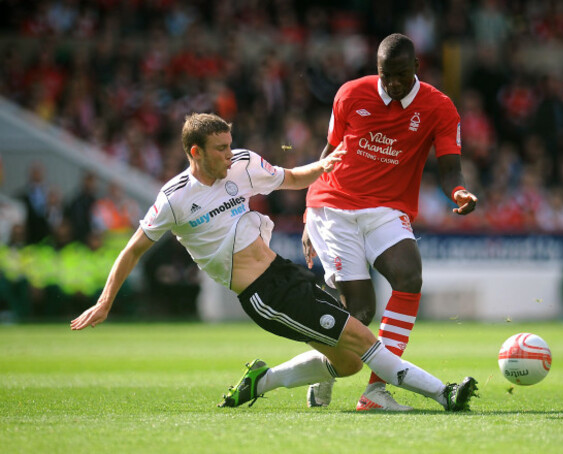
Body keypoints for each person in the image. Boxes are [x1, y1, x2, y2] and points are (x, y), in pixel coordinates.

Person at [70, 113, 478, 412]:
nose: (230, 153)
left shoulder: (243, 164)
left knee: (349, 361)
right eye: (220, 148)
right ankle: (444, 394)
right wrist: (105, 301)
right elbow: (134, 249)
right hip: (264, 295)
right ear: (195, 152)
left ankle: (261, 381)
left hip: (283, 273)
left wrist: (326, 165)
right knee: (363, 340)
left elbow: (292, 177)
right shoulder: (174, 198)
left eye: (230, 144)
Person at [302, 33, 479, 411]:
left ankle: (376, 391)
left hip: (386, 208)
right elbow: (329, 152)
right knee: (361, 312)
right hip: (334, 204)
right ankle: (323, 371)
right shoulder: (350, 94)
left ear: (417, 68)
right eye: (386, 76)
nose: (394, 83)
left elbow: (450, 167)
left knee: (409, 277)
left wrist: (459, 192)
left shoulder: (440, 107)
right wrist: (307, 214)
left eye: (401, 74)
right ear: (377, 70)